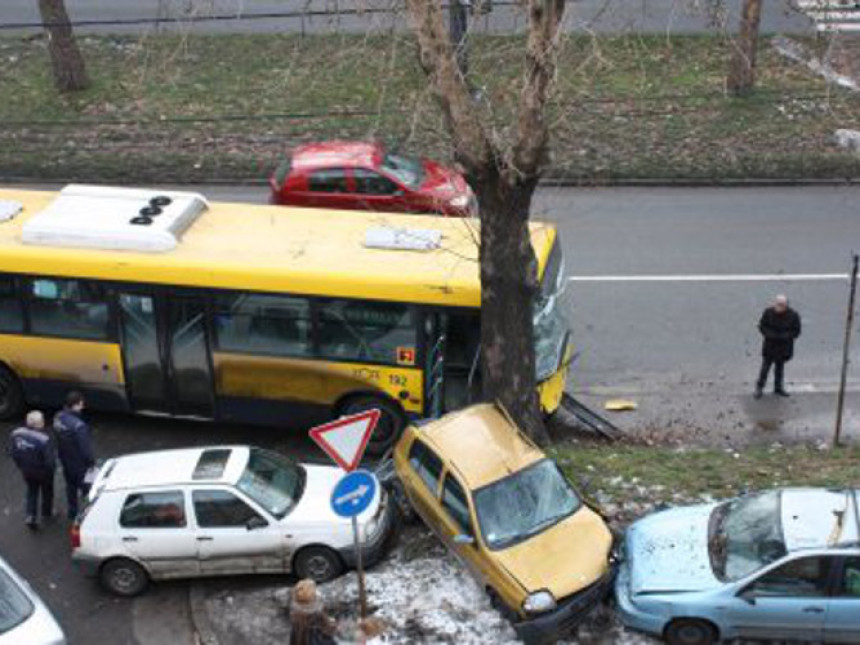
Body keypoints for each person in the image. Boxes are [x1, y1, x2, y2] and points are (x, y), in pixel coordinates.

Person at [8, 410, 56, 529]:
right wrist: (51, 471)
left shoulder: (16, 434)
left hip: (27, 470)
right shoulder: (44, 439)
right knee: (47, 492)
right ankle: (47, 512)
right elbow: (49, 461)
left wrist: (21, 466)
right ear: (39, 424)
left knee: (32, 491)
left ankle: (31, 516)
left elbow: (14, 453)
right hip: (43, 472)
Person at [53, 391, 95, 519]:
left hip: (65, 459)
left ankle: (72, 512)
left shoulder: (58, 417)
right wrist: (91, 463)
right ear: (75, 405)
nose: (83, 406)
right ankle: (88, 514)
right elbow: (85, 449)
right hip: (80, 464)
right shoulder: (79, 426)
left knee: (70, 487)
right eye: (81, 404)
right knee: (88, 488)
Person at [755, 294, 801, 399]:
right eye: (777, 304)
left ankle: (778, 387)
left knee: (779, 368)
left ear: (786, 306)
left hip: (783, 347)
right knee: (765, 368)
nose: (778, 307)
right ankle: (759, 387)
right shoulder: (768, 313)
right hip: (770, 346)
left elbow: (796, 331)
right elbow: (762, 326)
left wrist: (785, 336)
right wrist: (771, 335)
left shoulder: (793, 315)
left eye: (781, 305)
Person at [288, 579, 337, 645]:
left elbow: (293, 639)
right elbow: (326, 638)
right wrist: (332, 625)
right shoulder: (317, 616)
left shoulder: (296, 615)